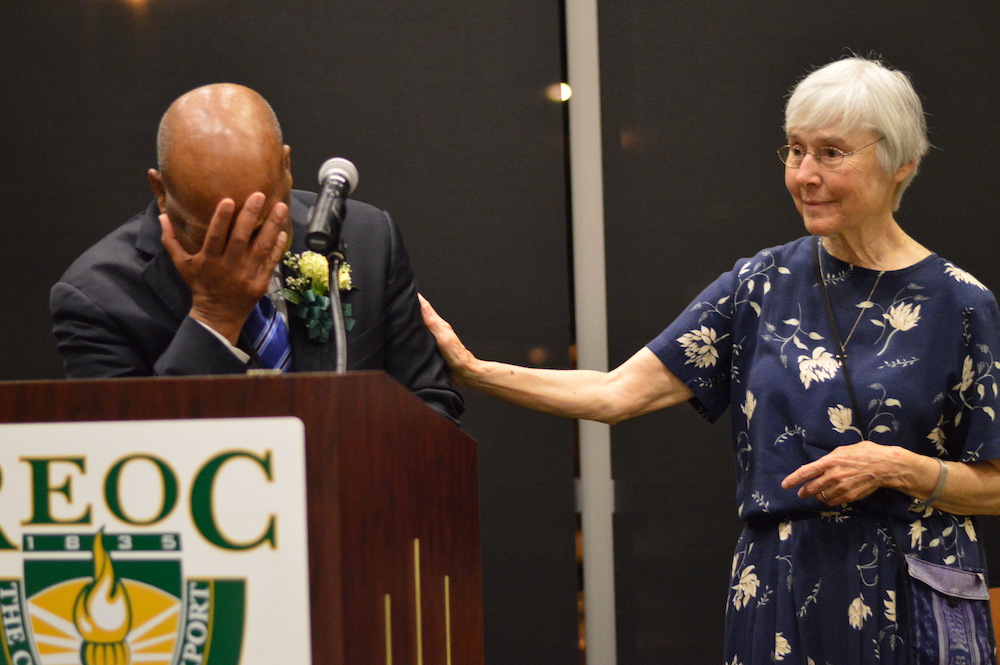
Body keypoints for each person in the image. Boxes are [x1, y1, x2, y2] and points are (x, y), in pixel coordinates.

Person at [420, 57, 1000, 663]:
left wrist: (900, 469)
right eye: (795, 150)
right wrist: (475, 371)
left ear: (900, 163)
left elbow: (994, 484)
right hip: (782, 590)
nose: (804, 174)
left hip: (913, 596)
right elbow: (616, 393)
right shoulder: (760, 284)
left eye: (832, 153)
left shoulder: (960, 303)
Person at [50, 83, 463, 423]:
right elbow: (126, 462)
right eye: (216, 230)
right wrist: (215, 317)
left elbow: (430, 404)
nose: (243, 243)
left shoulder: (366, 237)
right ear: (161, 191)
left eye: (263, 218)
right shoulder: (98, 296)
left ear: (286, 167)